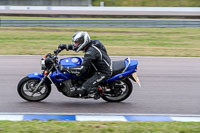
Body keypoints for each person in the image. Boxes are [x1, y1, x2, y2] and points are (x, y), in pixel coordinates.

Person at [58, 31, 112, 98]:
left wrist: (65, 68)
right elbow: (77, 47)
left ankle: (95, 91)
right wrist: (65, 46)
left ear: (83, 41)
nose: (75, 44)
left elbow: (82, 69)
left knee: (83, 88)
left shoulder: (90, 53)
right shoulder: (91, 44)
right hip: (96, 66)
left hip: (102, 72)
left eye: (77, 42)